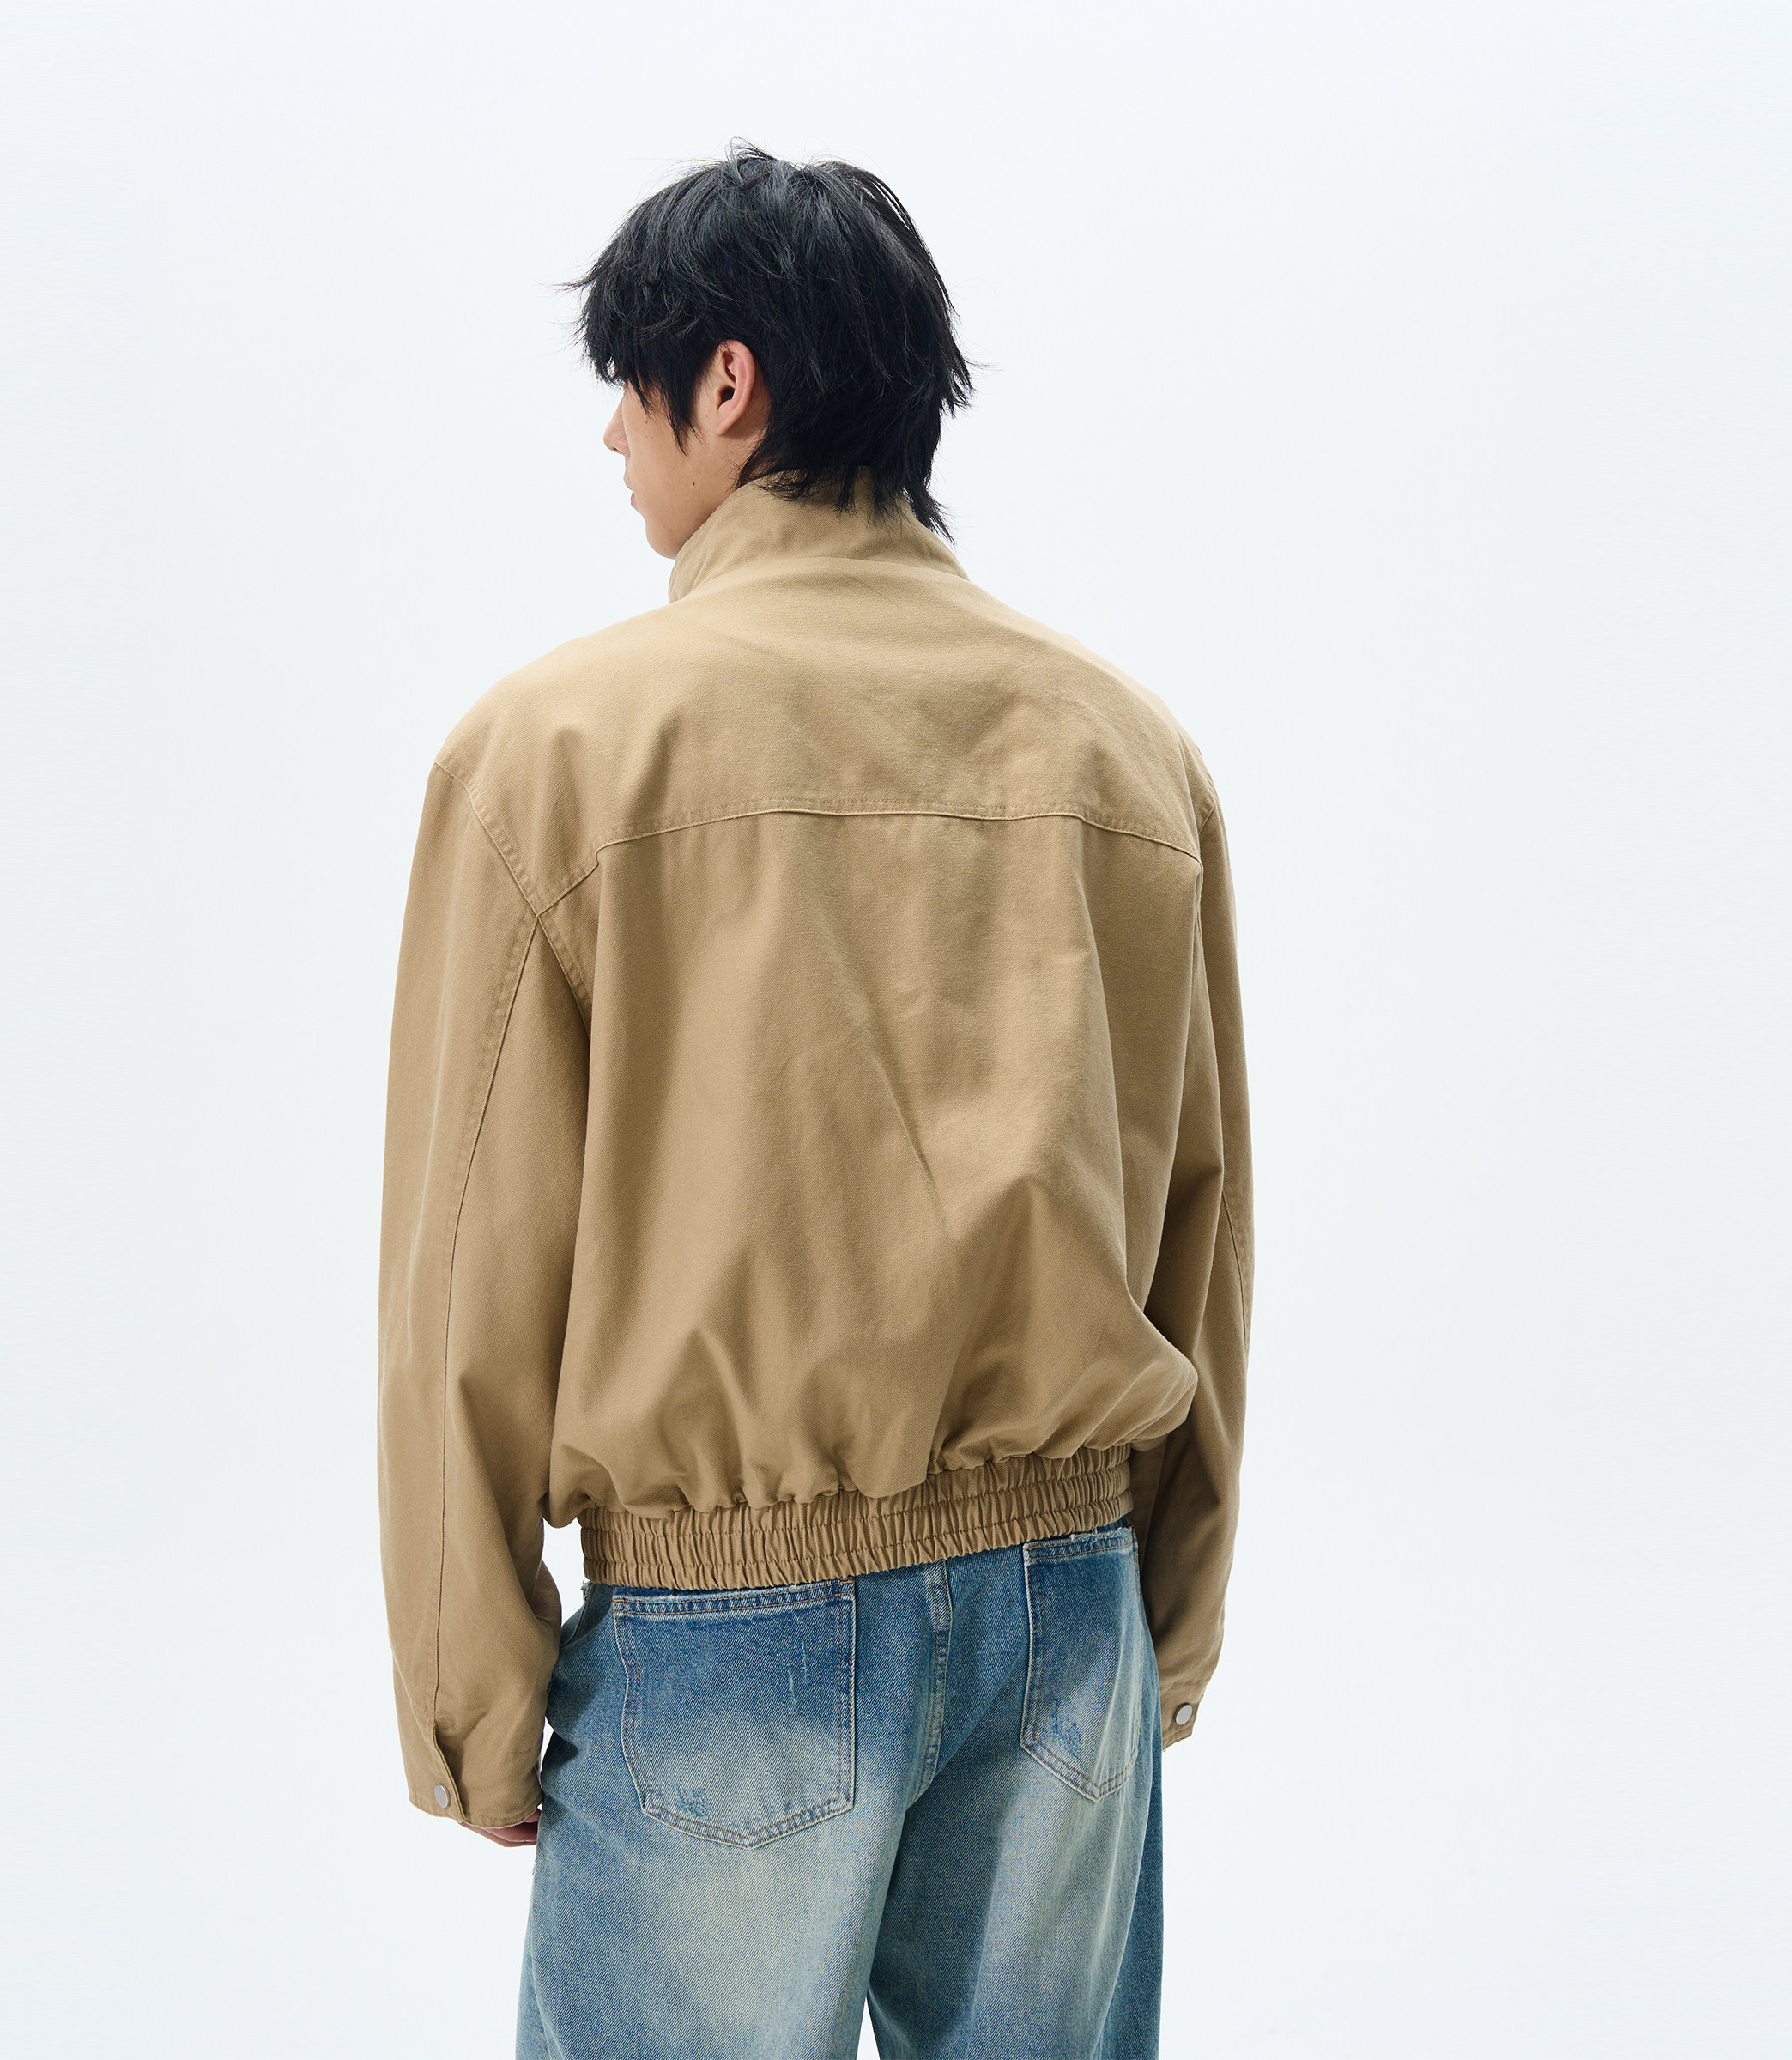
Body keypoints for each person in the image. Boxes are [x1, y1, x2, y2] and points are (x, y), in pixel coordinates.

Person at [377, 144, 1252, 2060]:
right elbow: (1203, 1225)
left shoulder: (555, 753)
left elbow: (470, 1275)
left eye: (630, 386)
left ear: (728, 383)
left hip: (729, 1639)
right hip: (1067, 1615)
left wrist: (475, 1698)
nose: (612, 437)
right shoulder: (1125, 748)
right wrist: (1163, 1621)